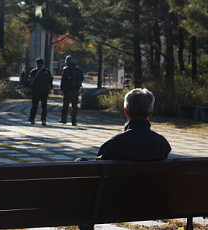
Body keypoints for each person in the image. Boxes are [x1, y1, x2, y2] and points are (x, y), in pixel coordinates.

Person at [79, 88, 171, 230]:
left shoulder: (115, 143)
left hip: (113, 203)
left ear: (126, 112)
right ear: (151, 113)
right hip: (152, 203)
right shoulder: (162, 144)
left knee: (80, 163)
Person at [59, 55, 84, 126]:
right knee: (74, 106)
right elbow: (82, 78)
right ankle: (74, 121)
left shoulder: (66, 70)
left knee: (65, 105)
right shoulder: (78, 69)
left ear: (66, 62)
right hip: (76, 90)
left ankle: (64, 119)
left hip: (67, 90)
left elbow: (63, 80)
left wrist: (62, 90)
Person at [27, 58, 53, 126]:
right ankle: (43, 120)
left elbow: (29, 81)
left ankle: (32, 119)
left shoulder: (33, 71)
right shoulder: (47, 72)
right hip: (44, 91)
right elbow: (50, 81)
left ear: (36, 64)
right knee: (44, 106)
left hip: (35, 91)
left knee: (34, 105)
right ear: (43, 64)